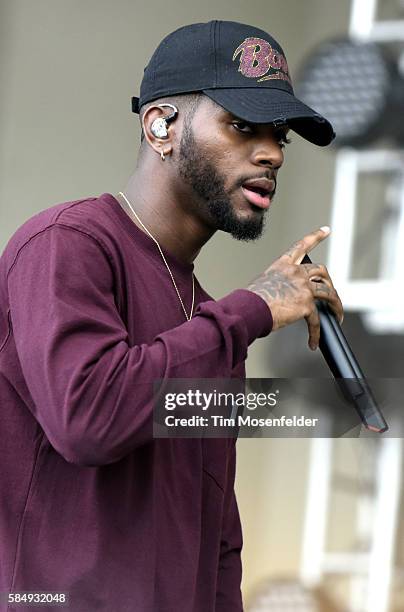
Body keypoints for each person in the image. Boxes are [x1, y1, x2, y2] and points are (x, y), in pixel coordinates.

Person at [0, 20, 343, 612]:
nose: (272, 153)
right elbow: (88, 418)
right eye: (242, 126)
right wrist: (254, 307)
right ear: (161, 125)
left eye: (279, 133)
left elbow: (218, 535)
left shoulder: (208, 318)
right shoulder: (68, 243)